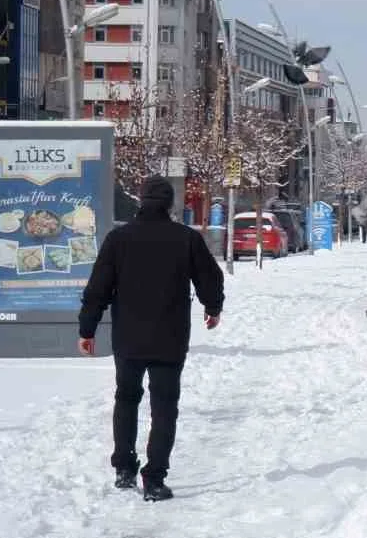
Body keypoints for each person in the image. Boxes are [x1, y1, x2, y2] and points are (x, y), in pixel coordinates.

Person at [77, 175, 224, 502]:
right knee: (164, 408)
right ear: (170, 203)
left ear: (141, 200)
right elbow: (209, 278)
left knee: (126, 399)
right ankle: (154, 479)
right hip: (170, 338)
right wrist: (213, 308)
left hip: (128, 338)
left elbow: (98, 288)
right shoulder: (186, 238)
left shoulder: (119, 239)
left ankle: (125, 468)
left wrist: (87, 329)